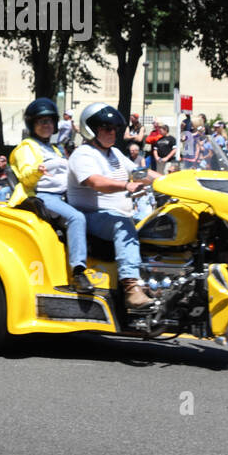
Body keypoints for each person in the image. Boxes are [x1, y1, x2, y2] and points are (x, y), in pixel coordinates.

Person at [67, 103, 160, 311]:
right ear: (91, 129)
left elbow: (139, 173)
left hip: (117, 214)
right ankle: (131, 287)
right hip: (91, 216)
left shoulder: (115, 154)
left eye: (115, 128)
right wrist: (125, 185)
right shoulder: (83, 154)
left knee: (156, 226)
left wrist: (169, 181)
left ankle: (155, 281)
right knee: (123, 225)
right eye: (106, 128)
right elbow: (95, 182)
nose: (112, 132)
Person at [9, 99, 90, 292]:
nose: (46, 125)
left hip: (64, 195)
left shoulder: (54, 149)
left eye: (49, 121)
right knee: (76, 218)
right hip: (44, 195)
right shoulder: (27, 147)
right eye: (41, 121)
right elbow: (26, 176)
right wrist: (37, 170)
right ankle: (79, 272)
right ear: (32, 124)